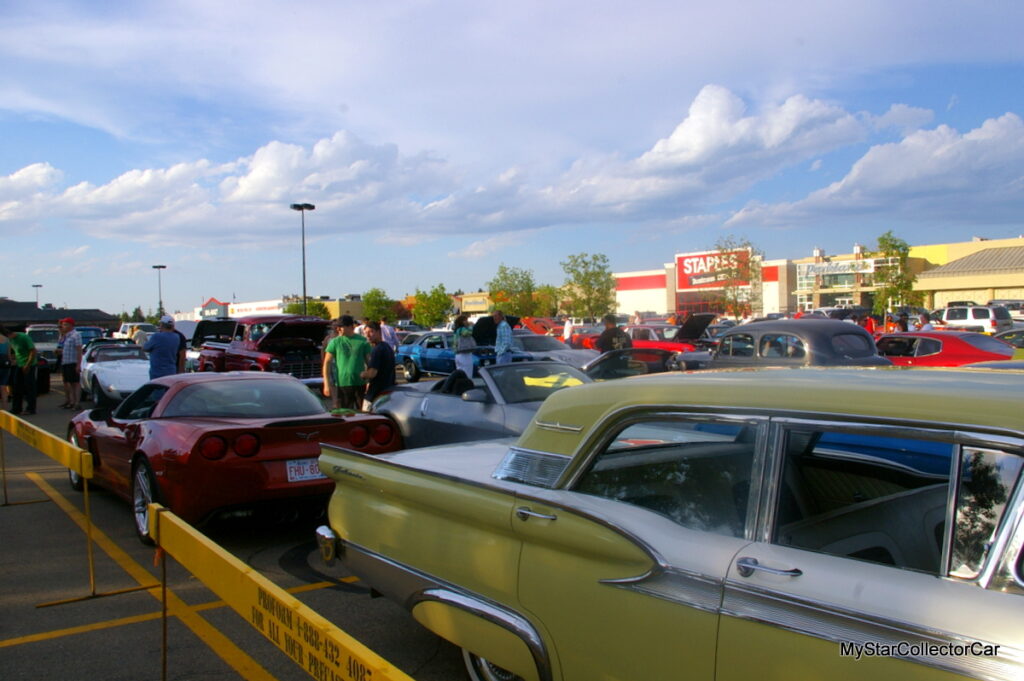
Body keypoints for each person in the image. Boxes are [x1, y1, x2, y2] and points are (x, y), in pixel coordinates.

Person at [323, 315, 372, 411]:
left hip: (360, 383)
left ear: (350, 326)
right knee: (345, 413)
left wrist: (369, 381)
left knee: (362, 412)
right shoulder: (335, 342)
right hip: (343, 384)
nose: (338, 329)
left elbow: (369, 362)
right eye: (337, 327)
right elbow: (327, 363)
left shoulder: (363, 341)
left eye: (341, 326)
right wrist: (326, 384)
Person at [3, 325, 37, 415]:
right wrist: (12, 359)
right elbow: (14, 350)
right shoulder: (10, 339)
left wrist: (27, 365)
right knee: (17, 386)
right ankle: (16, 408)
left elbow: (33, 351)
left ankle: (31, 408)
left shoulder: (23, 337)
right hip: (19, 363)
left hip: (29, 364)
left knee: (29, 387)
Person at [361, 322, 396, 409]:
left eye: (371, 332)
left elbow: (372, 373)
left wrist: (362, 374)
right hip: (388, 391)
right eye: (366, 333)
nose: (368, 335)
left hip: (375, 393)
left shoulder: (377, 350)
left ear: (379, 332)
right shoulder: (387, 347)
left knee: (367, 414)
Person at [143, 315, 185, 380]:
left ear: (162, 325)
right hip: (171, 371)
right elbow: (182, 355)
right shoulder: (177, 337)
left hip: (157, 372)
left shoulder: (156, 337)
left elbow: (145, 348)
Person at [58, 317, 83, 409]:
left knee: (75, 383)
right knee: (69, 382)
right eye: (62, 325)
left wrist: (78, 364)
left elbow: (79, 350)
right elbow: (62, 346)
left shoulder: (76, 335)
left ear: (70, 325)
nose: (63, 327)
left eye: (65, 325)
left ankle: (77, 403)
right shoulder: (66, 336)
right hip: (66, 362)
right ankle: (71, 401)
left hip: (73, 362)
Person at [0, 326, 11, 411]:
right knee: (3, 386)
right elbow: (9, 355)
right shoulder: (7, 340)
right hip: (5, 365)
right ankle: (5, 408)